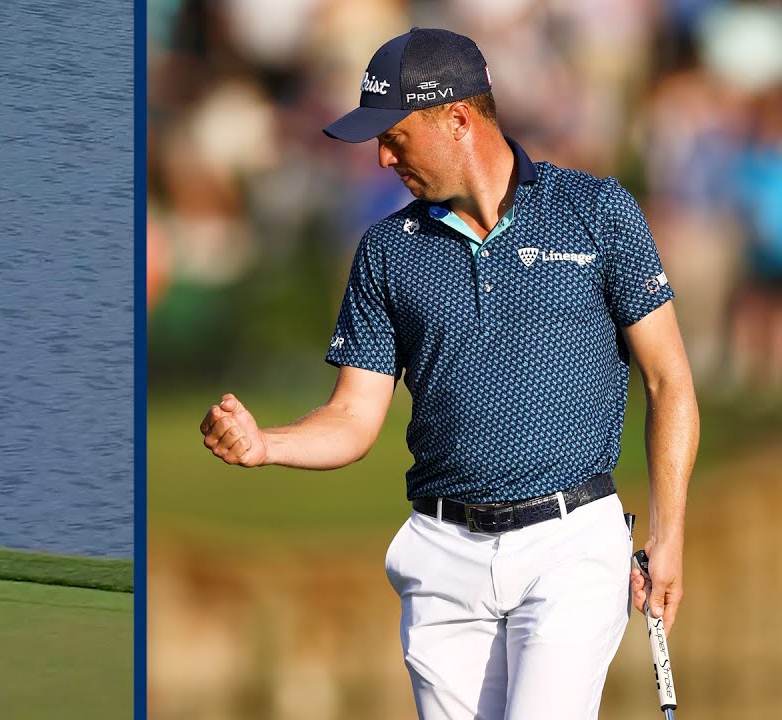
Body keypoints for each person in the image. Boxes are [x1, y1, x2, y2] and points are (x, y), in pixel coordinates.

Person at [199, 28, 698, 719]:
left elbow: (668, 380)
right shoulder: (385, 251)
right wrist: (266, 445)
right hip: (440, 558)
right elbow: (352, 416)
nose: (381, 157)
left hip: (570, 543)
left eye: (396, 137)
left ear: (458, 118)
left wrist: (668, 536)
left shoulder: (595, 211)